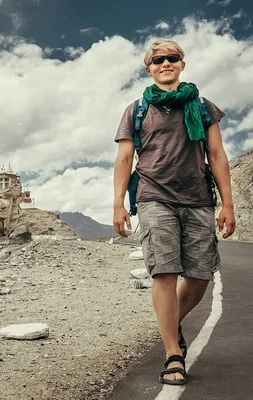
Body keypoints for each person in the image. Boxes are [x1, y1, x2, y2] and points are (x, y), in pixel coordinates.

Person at [112, 38, 236, 385]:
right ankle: (173, 354)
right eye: (158, 60)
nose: (165, 63)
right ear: (148, 68)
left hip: (198, 198)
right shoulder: (136, 109)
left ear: (182, 64)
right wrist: (119, 203)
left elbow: (217, 154)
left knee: (199, 278)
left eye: (172, 58)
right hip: (154, 198)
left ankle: (170, 323)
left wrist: (227, 203)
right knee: (164, 273)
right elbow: (124, 158)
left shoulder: (203, 105)